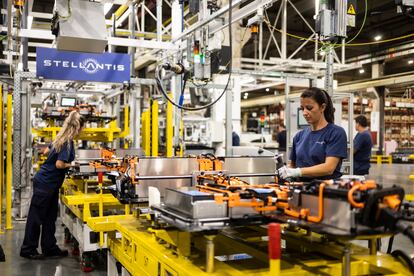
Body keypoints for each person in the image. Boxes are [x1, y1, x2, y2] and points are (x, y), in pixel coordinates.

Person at [20, 111, 84, 259]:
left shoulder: (59, 138)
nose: (82, 131)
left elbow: (45, 152)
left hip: (49, 183)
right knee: (36, 218)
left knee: (49, 217)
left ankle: (49, 247)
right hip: (46, 183)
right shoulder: (67, 142)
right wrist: (72, 164)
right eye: (82, 128)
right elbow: (59, 164)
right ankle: (28, 249)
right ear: (78, 127)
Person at [278, 87, 347, 180]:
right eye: (302, 108)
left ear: (322, 107)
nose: (304, 113)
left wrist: (298, 172)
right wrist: (286, 172)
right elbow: (292, 165)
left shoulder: (335, 133)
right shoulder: (299, 136)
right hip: (300, 189)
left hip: (325, 190)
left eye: (309, 108)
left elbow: (329, 168)